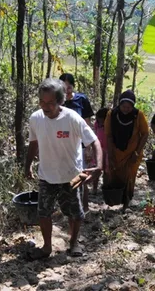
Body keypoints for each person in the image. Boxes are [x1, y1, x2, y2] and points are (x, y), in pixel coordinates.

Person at [25, 78, 102, 259]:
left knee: (75, 213)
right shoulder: (36, 119)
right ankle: (46, 247)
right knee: (43, 212)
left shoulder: (72, 118)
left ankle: (74, 242)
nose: (46, 106)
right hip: (46, 175)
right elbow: (33, 144)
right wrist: (27, 166)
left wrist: (98, 166)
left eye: (50, 102)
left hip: (72, 175)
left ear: (60, 101)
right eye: (42, 102)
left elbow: (94, 141)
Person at [105, 90, 149, 212]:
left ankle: (126, 203)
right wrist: (110, 155)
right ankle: (115, 200)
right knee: (115, 176)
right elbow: (108, 135)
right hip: (116, 152)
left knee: (129, 178)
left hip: (132, 154)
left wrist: (136, 152)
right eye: (123, 106)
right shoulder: (112, 114)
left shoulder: (138, 115)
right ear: (119, 104)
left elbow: (145, 134)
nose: (125, 109)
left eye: (129, 107)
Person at [59, 73, 95, 213]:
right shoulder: (57, 102)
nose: (66, 90)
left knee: (81, 176)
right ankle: (67, 208)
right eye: (63, 87)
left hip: (79, 145)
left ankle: (84, 208)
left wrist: (88, 147)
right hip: (62, 145)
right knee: (63, 177)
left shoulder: (81, 99)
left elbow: (87, 124)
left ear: (73, 86)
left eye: (69, 87)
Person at [93, 108, 110, 194]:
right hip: (99, 149)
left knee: (107, 171)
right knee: (97, 169)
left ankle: (105, 188)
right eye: (99, 119)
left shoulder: (110, 125)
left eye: (102, 120)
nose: (101, 121)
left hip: (108, 150)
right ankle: (94, 188)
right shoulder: (97, 124)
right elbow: (95, 134)